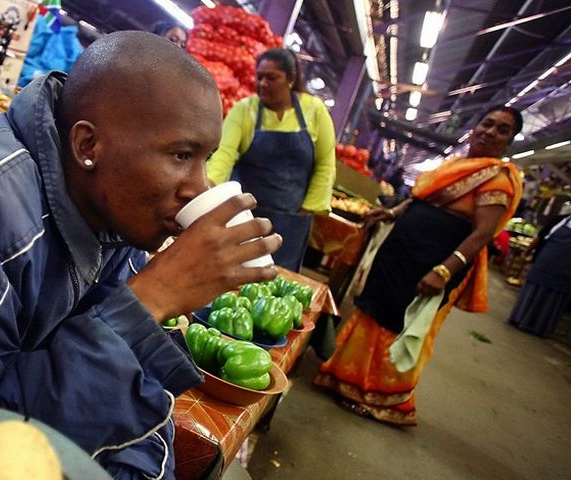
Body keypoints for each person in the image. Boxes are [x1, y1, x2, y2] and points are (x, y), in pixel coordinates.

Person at [0, 31, 281, 478]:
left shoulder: (116, 208)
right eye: (180, 154)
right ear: (87, 145)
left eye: (204, 158)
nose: (199, 187)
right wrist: (149, 300)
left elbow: (135, 398)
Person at [314, 106, 524, 426]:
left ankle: (379, 399)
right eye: (487, 123)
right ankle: (345, 379)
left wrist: (443, 271)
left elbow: (482, 234)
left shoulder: (498, 179)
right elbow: (420, 200)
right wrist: (390, 213)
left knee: (400, 322)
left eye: (502, 129)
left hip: (433, 261)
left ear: (509, 141)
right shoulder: (458, 165)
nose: (490, 131)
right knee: (375, 308)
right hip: (402, 252)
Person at [206, 48, 336, 272]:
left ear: (291, 79)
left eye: (272, 77)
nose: (263, 83)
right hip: (243, 216)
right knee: (230, 273)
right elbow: (223, 154)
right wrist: (208, 188)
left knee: (276, 282)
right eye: (259, 77)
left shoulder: (314, 111)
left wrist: (306, 210)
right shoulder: (244, 110)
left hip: (291, 222)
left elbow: (326, 164)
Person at [508, 202, 571, 337]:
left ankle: (540, 328)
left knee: (552, 299)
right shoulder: (559, 221)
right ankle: (519, 319)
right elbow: (540, 237)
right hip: (544, 264)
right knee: (532, 292)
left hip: (565, 273)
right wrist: (527, 251)